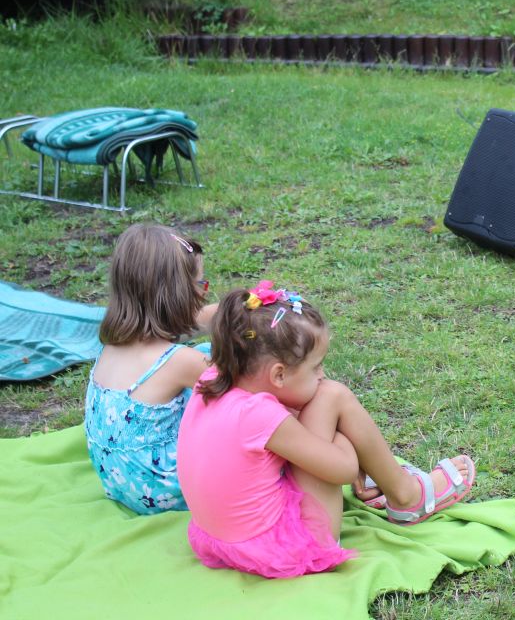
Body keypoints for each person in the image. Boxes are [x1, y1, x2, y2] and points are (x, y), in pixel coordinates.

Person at [176, 283, 475, 579]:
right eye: (315, 367)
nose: (322, 375)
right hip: (286, 550)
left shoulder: (212, 379)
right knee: (332, 395)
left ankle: (387, 480)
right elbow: (343, 470)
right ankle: (407, 497)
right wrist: (344, 442)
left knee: (320, 416)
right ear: (278, 374)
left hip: (223, 543)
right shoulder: (258, 414)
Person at [84, 223, 215, 513]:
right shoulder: (180, 362)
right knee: (220, 369)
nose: (204, 293)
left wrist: (231, 311)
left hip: (121, 482)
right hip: (170, 490)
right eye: (200, 284)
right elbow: (247, 385)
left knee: (204, 356)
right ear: (177, 295)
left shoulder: (116, 343)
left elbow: (189, 325)